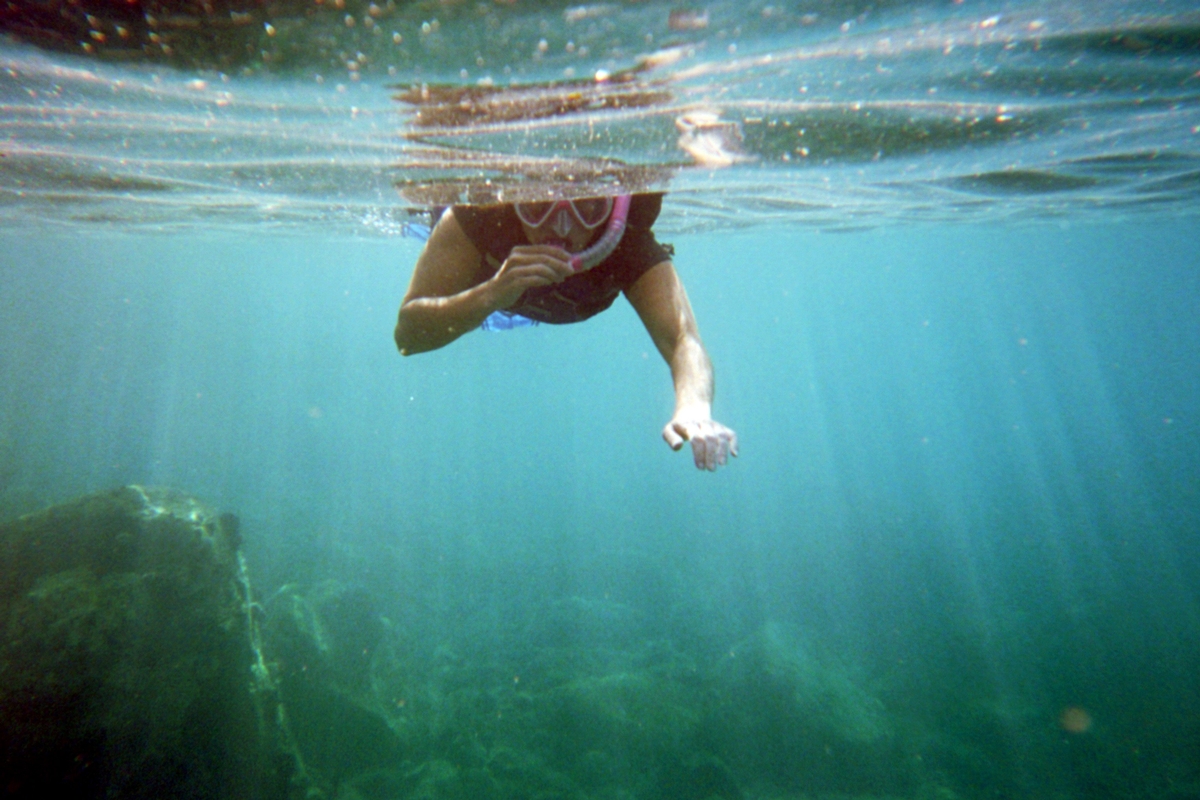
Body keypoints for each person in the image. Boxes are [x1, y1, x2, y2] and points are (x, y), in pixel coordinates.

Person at [394, 193, 737, 471]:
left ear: (612, 208)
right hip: (484, 295)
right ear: (514, 200)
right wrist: (492, 294)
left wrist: (695, 407)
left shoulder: (627, 244)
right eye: (537, 205)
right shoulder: (480, 217)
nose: (561, 226)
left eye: (587, 206)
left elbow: (683, 339)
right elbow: (407, 337)